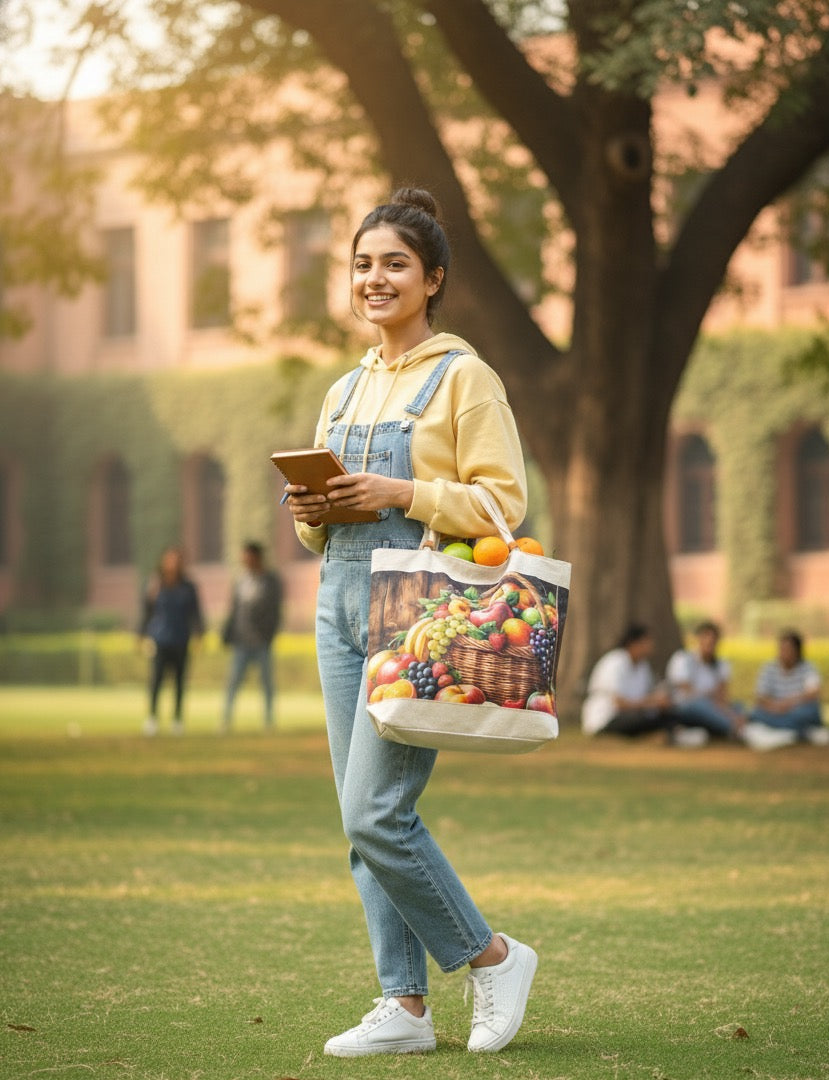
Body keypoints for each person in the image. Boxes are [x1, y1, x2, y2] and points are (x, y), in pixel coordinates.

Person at [283, 188, 537, 1057]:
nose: (374, 279)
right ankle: (405, 1008)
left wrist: (402, 491)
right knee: (360, 822)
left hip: (418, 611)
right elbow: (313, 531)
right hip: (338, 607)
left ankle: (493, 956)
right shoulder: (345, 389)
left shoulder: (464, 377)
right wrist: (311, 506)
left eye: (394, 264)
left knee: (374, 813)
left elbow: (503, 503)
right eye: (362, 264)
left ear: (432, 279)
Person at [581, 622, 697, 742]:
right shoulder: (615, 663)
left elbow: (646, 696)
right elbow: (620, 704)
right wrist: (653, 703)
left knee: (669, 714)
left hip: (634, 714)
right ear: (633, 643)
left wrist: (660, 701)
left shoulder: (643, 666)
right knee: (645, 720)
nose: (651, 646)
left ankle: (674, 734)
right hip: (607, 718)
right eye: (646, 642)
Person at [138, 546, 204, 735]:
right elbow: (146, 612)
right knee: (156, 681)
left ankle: (177, 719)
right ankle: (152, 718)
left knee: (180, 682)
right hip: (160, 639)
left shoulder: (188, 587)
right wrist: (141, 635)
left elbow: (196, 613)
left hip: (181, 639)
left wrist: (199, 633)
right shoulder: (154, 585)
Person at [221, 541, 283, 732]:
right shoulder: (240, 581)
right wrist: (226, 633)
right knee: (233, 682)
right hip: (241, 641)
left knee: (266, 683)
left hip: (261, 641)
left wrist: (269, 635)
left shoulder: (271, 581)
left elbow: (275, 611)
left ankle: (268, 720)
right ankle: (226, 720)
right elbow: (233, 610)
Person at [744, 629, 829, 749]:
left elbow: (813, 693)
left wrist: (787, 704)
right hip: (775, 710)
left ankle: (780, 731)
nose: (783, 653)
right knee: (756, 713)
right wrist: (775, 706)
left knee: (810, 710)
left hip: (797, 709)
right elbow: (761, 697)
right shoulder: (769, 668)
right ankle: (802, 732)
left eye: (788, 649)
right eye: (782, 649)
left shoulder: (808, 668)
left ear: (797, 651)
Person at [665, 621, 745, 740]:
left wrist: (727, 710)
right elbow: (688, 692)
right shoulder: (683, 659)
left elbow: (722, 695)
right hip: (686, 707)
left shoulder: (721, 665)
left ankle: (736, 726)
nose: (709, 643)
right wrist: (711, 698)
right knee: (700, 705)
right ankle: (733, 728)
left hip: (713, 705)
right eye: (705, 638)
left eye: (712, 640)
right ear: (698, 639)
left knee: (740, 706)